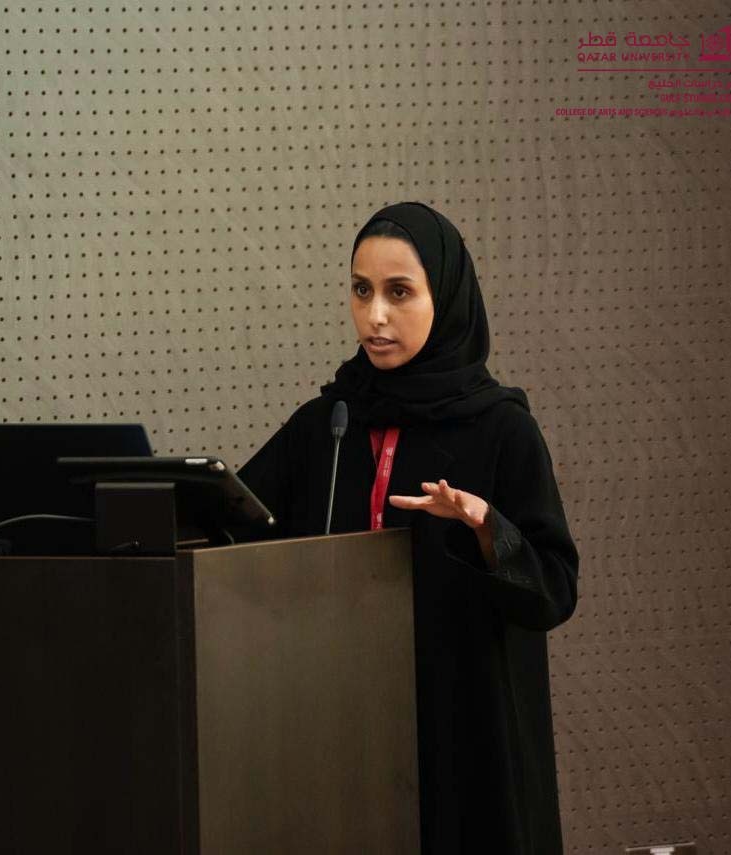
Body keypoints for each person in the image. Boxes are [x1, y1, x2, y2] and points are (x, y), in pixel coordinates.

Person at [236, 201, 579, 855]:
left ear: (443, 298)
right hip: (341, 731)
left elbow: (554, 590)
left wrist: (486, 526)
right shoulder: (328, 424)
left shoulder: (501, 429)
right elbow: (237, 524)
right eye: (361, 290)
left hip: (463, 738)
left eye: (398, 292)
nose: (375, 316)